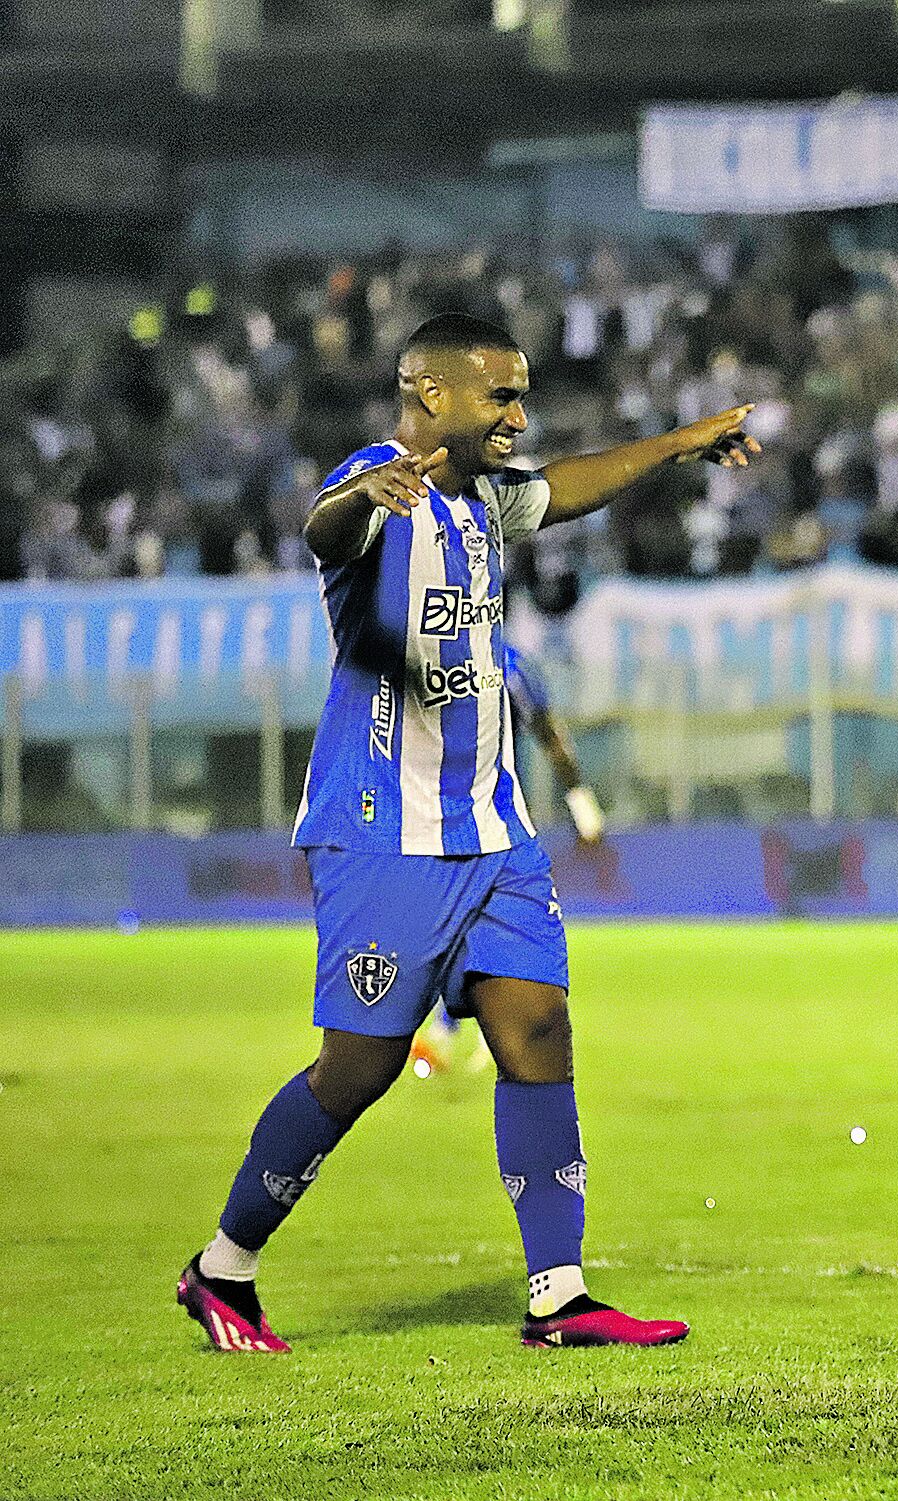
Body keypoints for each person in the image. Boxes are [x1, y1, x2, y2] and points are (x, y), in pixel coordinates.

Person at [176, 312, 759, 1353]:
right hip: (381, 829)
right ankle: (223, 1269)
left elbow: (570, 483)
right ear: (432, 395)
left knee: (537, 1031)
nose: (519, 416)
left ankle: (560, 1295)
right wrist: (364, 494)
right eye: (502, 397)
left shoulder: (487, 498)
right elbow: (326, 529)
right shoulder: (375, 481)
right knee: (359, 1067)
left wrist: (676, 445)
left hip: (493, 826)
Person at [409, 643, 603, 1079]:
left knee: (478, 923)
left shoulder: (507, 663)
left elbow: (547, 731)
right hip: (435, 817)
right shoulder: (427, 657)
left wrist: (582, 804)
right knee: (462, 926)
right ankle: (470, 1028)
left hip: (492, 819)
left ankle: (465, 1030)